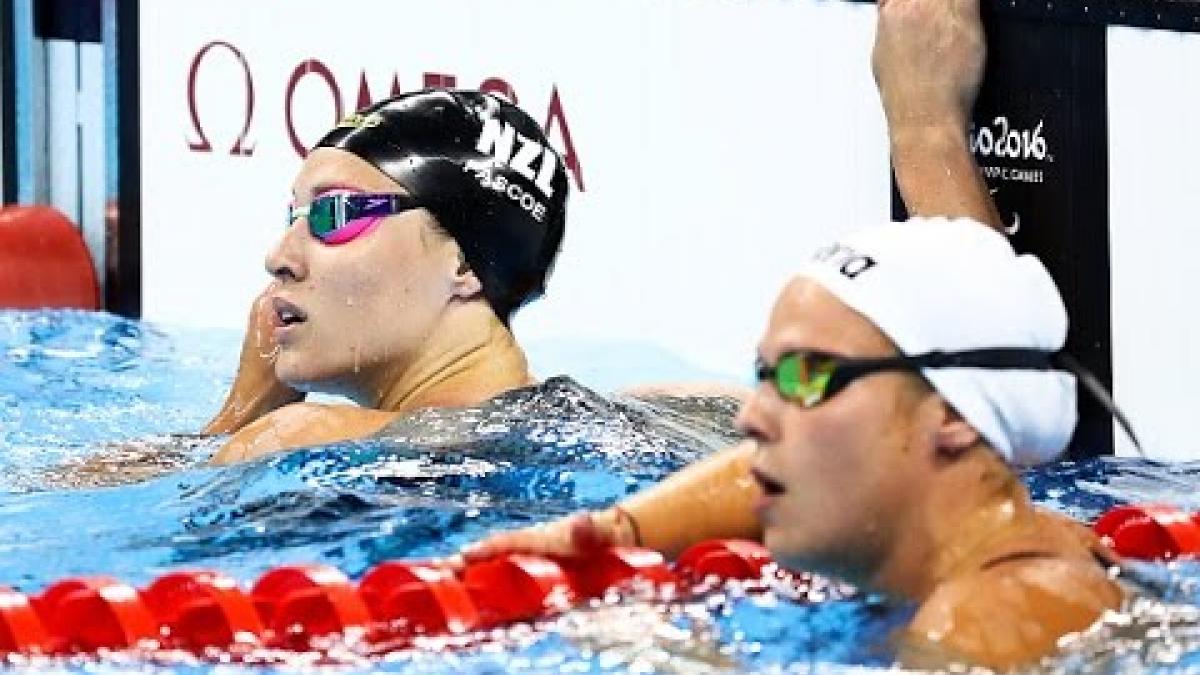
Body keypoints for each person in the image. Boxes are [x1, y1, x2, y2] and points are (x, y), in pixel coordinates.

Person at [458, 0, 1124, 669]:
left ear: (950, 416)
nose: (752, 414)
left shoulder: (1001, 613)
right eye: (766, 376)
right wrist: (615, 530)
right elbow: (798, 464)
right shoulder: (995, 544)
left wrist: (675, 657)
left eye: (807, 376)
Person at [202, 90, 571, 464]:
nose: (278, 258)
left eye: (337, 213)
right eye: (293, 216)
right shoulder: (586, 418)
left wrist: (241, 418)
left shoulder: (303, 440)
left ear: (465, 263)